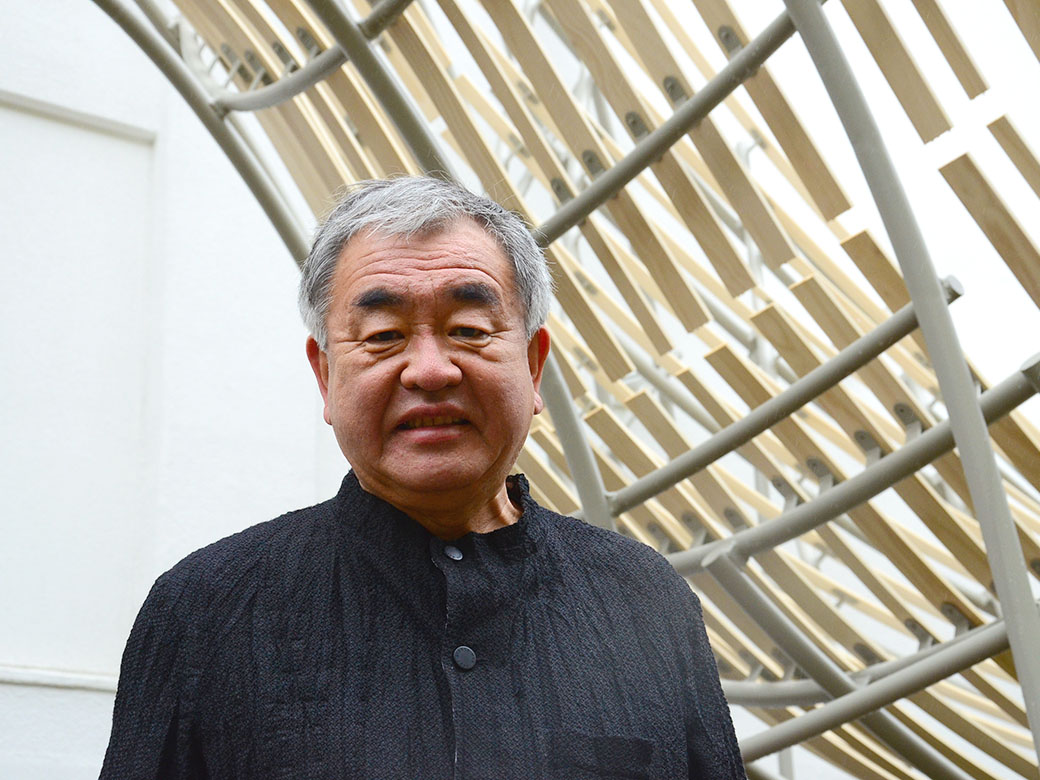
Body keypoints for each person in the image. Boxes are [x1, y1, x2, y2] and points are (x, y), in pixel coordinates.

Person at [100, 177, 746, 779]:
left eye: (468, 329)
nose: (430, 370)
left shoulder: (646, 602)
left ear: (534, 363)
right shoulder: (207, 608)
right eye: (384, 335)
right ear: (325, 376)